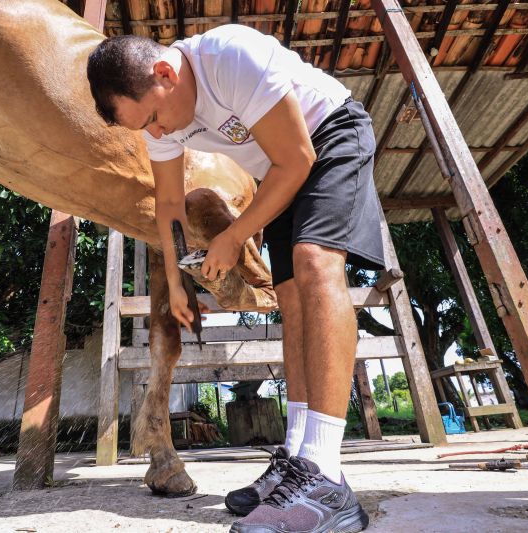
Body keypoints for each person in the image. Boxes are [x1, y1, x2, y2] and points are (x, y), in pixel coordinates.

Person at [87, 24, 383, 533]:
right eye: (144, 129)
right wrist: (178, 283)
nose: (155, 134)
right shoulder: (161, 122)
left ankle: (326, 478)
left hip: (329, 136)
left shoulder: (230, 56)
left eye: (154, 118)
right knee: (289, 300)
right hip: (282, 167)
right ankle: (296, 456)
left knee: (315, 264)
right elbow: (170, 204)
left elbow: (299, 159)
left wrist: (232, 237)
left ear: (165, 72)